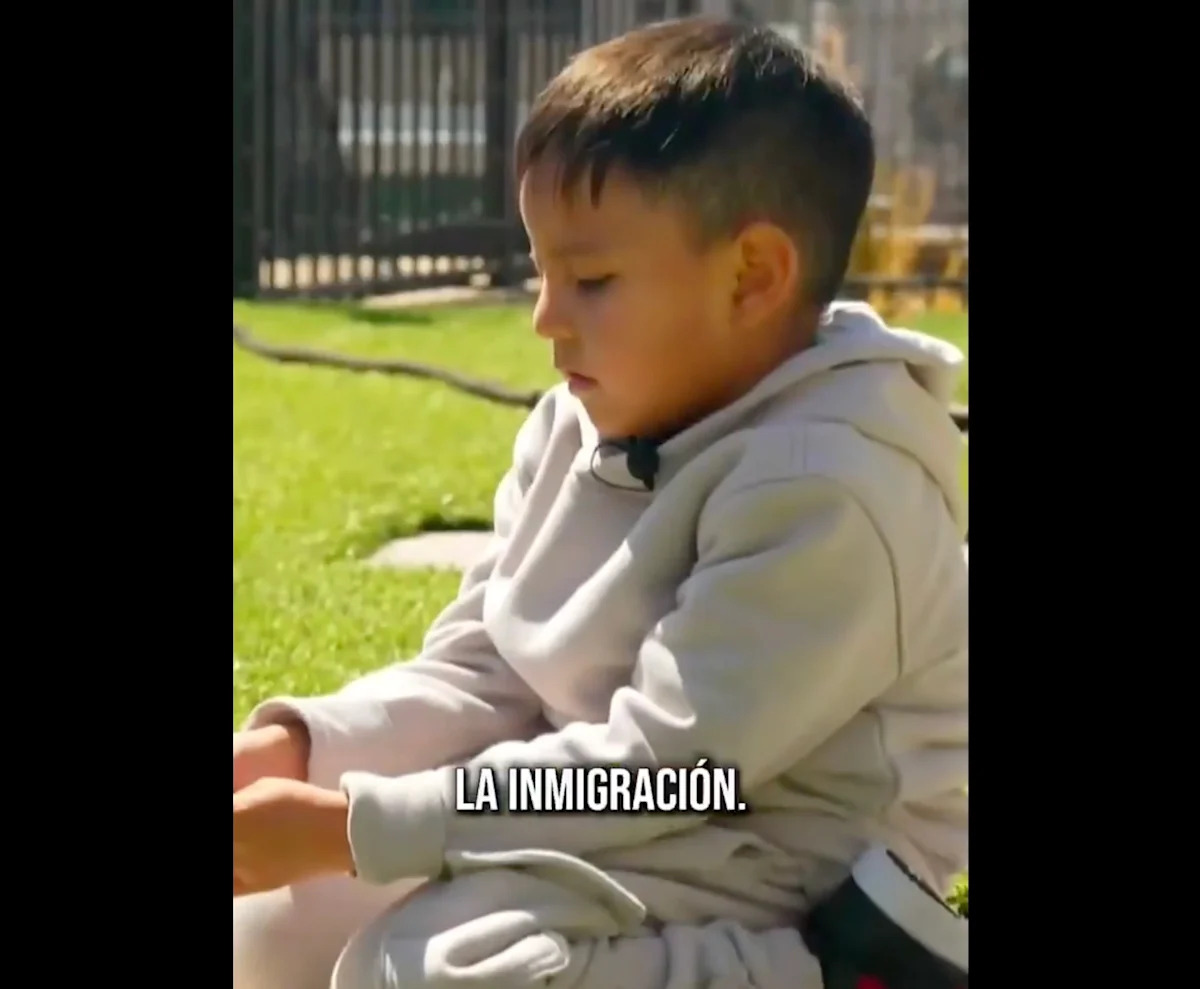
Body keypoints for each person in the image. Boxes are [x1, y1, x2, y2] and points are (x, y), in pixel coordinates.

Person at [233, 15, 968, 989]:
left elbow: (676, 770)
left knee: (428, 969)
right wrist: (303, 746)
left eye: (590, 279)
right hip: (618, 808)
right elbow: (488, 666)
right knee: (273, 929)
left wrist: (361, 826)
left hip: (787, 848)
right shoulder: (578, 420)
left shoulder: (828, 485)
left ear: (753, 275)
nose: (546, 317)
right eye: (542, 271)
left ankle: (839, 973)